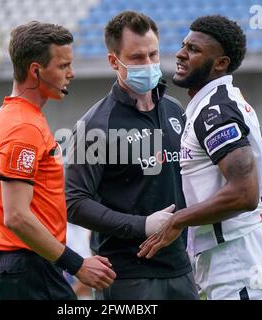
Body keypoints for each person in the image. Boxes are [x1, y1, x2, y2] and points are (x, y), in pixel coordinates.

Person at [138, 15, 262, 300]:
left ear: (221, 63)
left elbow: (244, 193)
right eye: (184, 45)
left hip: (240, 258)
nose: (181, 53)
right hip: (237, 254)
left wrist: (177, 221)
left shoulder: (215, 111)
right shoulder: (210, 105)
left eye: (194, 49)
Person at [0, 21, 116, 300]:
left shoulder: (4, 116)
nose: (71, 73)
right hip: (25, 270)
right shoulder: (23, 127)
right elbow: (16, 215)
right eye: (63, 66)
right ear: (36, 71)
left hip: (10, 265)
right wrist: (77, 265)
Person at [65, 11, 199, 300]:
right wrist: (142, 225)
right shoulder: (95, 125)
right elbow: (74, 202)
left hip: (180, 269)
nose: (149, 64)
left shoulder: (175, 110)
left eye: (153, 54)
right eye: (138, 58)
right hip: (126, 276)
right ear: (114, 61)